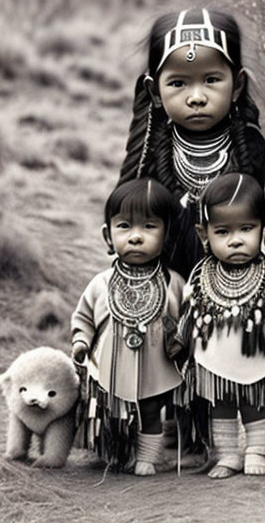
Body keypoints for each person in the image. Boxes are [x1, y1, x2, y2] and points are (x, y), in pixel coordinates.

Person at [175, 173, 265, 479]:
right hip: (214, 356)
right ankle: (227, 455)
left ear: (264, 230)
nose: (235, 240)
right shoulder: (200, 275)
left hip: (259, 354)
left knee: (255, 404)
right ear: (203, 234)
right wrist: (179, 343)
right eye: (222, 231)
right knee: (220, 405)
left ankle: (256, 452)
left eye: (247, 229)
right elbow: (188, 313)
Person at [116, 8, 265, 279]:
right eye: (178, 83)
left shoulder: (251, 147)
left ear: (237, 85)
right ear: (154, 91)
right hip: (167, 282)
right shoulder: (152, 153)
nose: (197, 97)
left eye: (211, 80)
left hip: (242, 282)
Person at [71, 178, 184, 475]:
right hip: (110, 362)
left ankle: (149, 457)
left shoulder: (172, 283)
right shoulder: (101, 284)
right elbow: (83, 317)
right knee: (113, 409)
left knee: (150, 409)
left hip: (155, 362)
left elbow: (186, 319)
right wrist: (81, 342)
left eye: (149, 227)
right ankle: (116, 453)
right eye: (125, 227)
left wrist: (181, 342)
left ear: (167, 233)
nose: (136, 237)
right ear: (108, 235)